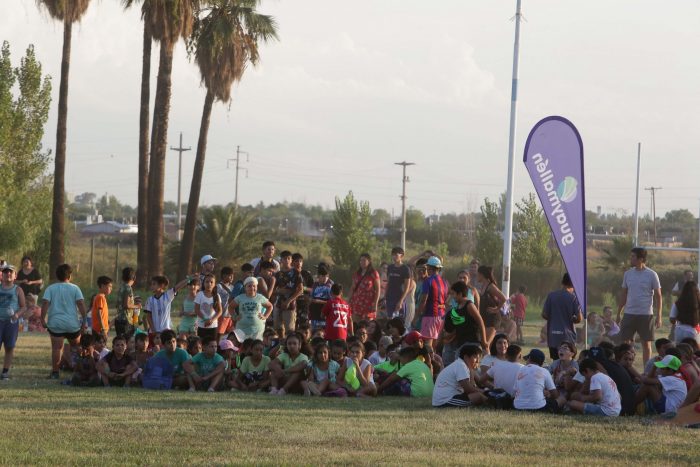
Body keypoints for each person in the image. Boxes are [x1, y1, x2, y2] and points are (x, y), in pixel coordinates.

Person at [617, 247, 662, 365]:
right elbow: (623, 294)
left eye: (633, 256)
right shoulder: (627, 274)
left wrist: (659, 315)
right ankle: (626, 367)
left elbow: (658, 296)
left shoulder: (652, 274)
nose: (630, 259)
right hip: (629, 313)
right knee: (625, 344)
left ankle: (646, 370)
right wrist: (618, 313)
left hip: (646, 314)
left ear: (641, 259)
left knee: (646, 344)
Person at [40, 264, 86, 380]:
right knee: (76, 347)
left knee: (57, 348)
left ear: (57, 276)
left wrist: (42, 318)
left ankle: (55, 373)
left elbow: (45, 303)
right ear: (69, 276)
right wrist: (84, 319)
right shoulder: (75, 288)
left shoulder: (51, 288)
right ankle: (82, 370)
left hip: (55, 324)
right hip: (72, 324)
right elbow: (80, 303)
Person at [542, 273, 583, 360]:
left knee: (556, 362)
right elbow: (579, 319)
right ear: (573, 283)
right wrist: (572, 318)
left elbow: (544, 314)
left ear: (562, 281)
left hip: (553, 336)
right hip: (567, 337)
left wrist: (554, 317)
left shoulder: (551, 295)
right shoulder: (573, 298)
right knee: (568, 362)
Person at [143, 275, 189, 344]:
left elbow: (178, 286)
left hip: (166, 331)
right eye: (151, 284)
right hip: (154, 333)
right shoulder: (150, 300)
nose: (151, 286)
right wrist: (153, 330)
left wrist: (189, 279)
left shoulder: (168, 295)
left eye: (154, 284)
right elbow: (148, 316)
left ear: (161, 285)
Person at [414, 256, 448, 350]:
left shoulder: (428, 281)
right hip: (441, 316)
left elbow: (423, 301)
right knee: (434, 346)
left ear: (429, 268)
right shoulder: (444, 282)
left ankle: (429, 364)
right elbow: (446, 300)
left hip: (430, 316)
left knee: (427, 345)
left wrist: (416, 317)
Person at [0, 264, 26, 379]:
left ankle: (5, 372)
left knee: (9, 347)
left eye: (11, 272)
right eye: (5, 272)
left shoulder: (18, 289)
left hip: (11, 323)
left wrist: (16, 315)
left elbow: (23, 307)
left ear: (15, 276)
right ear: (2, 275)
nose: (8, 274)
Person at [230, 276, 273, 341]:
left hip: (257, 329)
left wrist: (265, 316)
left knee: (255, 347)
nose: (252, 288)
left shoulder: (260, 297)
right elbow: (230, 307)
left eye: (254, 286)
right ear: (245, 288)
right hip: (242, 329)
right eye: (249, 286)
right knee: (242, 348)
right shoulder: (240, 297)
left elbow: (270, 306)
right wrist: (234, 316)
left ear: (257, 287)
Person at [273, 251, 303, 338]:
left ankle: (289, 348)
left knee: (290, 330)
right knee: (278, 328)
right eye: (284, 259)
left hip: (290, 305)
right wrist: (279, 291)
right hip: (278, 304)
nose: (286, 260)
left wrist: (289, 301)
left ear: (291, 260)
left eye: (288, 258)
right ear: (281, 260)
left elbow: (300, 290)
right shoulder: (278, 274)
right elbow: (273, 291)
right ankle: (281, 347)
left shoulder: (296, 273)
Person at [476, 265, 507, 350]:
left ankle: (486, 363)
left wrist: (496, 309)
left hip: (492, 319)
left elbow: (503, 298)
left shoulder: (490, 286)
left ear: (482, 275)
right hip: (485, 318)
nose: (477, 277)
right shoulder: (483, 286)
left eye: (478, 274)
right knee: (484, 345)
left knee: (486, 345)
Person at [348, 253, 381, 323]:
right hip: (357, 303)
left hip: (369, 304)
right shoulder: (356, 274)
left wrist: (375, 303)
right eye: (360, 260)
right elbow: (352, 288)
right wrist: (348, 301)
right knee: (356, 324)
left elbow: (378, 290)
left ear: (369, 261)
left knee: (369, 323)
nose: (362, 262)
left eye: (364, 260)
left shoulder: (374, 273)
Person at [385, 247, 412, 320]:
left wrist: (401, 301)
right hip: (389, 298)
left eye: (396, 255)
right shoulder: (390, 267)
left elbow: (407, 288)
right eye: (393, 255)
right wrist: (385, 297)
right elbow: (388, 283)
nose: (394, 257)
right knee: (389, 320)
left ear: (402, 256)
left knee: (398, 322)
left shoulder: (405, 269)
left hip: (399, 298)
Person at [195, 273, 222, 342]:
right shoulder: (199, 294)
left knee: (212, 344)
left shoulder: (217, 296)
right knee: (202, 344)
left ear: (214, 284)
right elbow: (197, 310)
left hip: (213, 326)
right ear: (203, 283)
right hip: (201, 325)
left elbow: (220, 311)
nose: (209, 284)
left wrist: (211, 320)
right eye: (207, 282)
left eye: (211, 282)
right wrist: (205, 319)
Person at [308, 263, 333, 330]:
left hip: (325, 316)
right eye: (322, 275)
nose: (325, 278)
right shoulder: (315, 284)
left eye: (326, 275)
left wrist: (319, 301)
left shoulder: (330, 286)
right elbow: (311, 297)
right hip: (314, 315)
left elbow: (333, 302)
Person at [115, 267, 139, 337]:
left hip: (119, 319)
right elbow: (126, 305)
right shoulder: (128, 288)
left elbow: (117, 304)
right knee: (126, 342)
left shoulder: (121, 287)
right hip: (126, 320)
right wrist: (137, 306)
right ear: (134, 277)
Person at [90, 276, 113, 342]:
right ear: (102, 286)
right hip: (99, 330)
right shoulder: (100, 297)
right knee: (100, 347)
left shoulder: (102, 297)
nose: (111, 288)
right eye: (109, 286)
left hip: (101, 329)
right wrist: (103, 329)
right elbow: (99, 313)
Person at [216, 266, 235, 340]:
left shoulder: (233, 287)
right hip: (222, 315)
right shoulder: (218, 287)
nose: (232, 277)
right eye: (230, 275)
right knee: (219, 335)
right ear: (224, 275)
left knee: (230, 336)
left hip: (230, 316)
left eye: (232, 275)